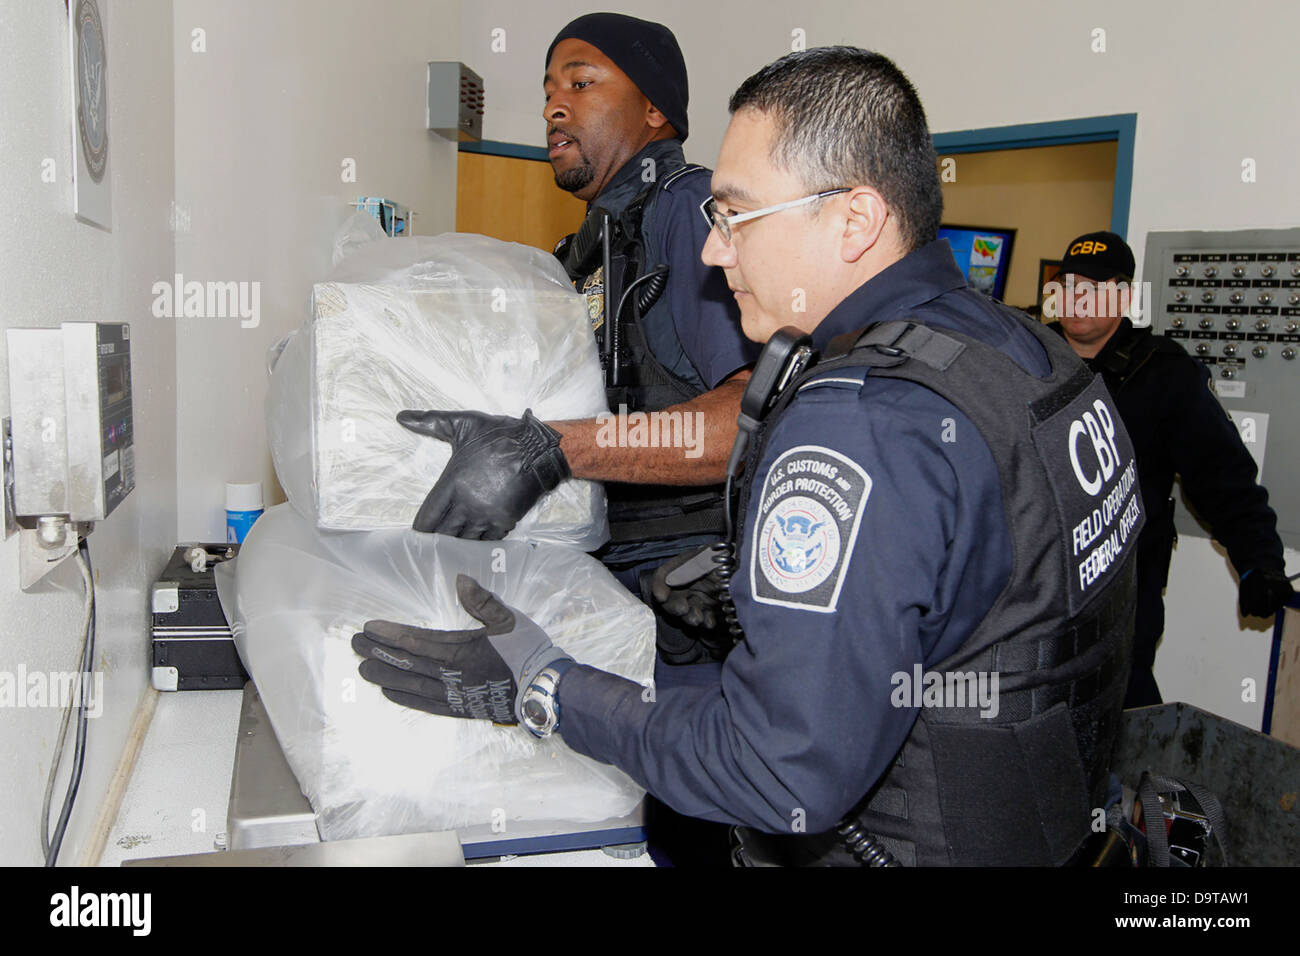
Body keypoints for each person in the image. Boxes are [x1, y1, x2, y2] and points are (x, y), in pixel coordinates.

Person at [355, 47, 1145, 866]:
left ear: (855, 219)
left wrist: (545, 686)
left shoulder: (862, 423)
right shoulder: (1035, 357)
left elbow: (776, 770)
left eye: (735, 217)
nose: (712, 253)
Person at [398, 13, 757, 669]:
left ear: (654, 109)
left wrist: (551, 450)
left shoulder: (688, 211)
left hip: (691, 606)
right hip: (610, 587)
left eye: (581, 82)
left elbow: (745, 421)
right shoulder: (580, 253)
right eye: (546, 92)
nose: (554, 106)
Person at [1045, 231, 1294, 707]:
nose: (1076, 299)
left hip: (1123, 587)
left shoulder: (1162, 374)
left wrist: (1259, 561)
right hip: (1035, 582)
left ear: (1123, 296)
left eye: (1092, 287)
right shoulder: (1026, 361)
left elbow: (1223, 478)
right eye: (1068, 285)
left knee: (1121, 710)